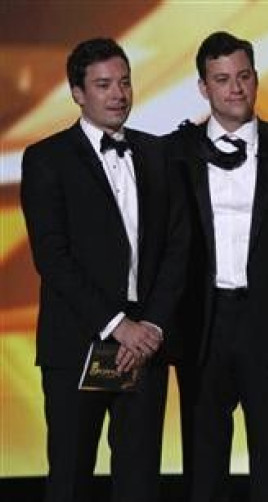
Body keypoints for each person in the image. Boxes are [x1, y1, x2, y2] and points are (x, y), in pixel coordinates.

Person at [166, 31, 268, 502]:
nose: (234, 88)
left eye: (242, 76)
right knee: (203, 466)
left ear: (256, 79)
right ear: (203, 87)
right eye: (222, 79)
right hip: (202, 324)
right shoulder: (174, 152)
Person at [20, 38, 188, 502]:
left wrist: (150, 325)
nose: (118, 94)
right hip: (78, 344)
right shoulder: (46, 158)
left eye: (125, 82)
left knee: (140, 482)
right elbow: (52, 257)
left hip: (145, 348)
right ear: (77, 92)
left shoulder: (158, 154)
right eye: (103, 85)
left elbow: (178, 246)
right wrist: (119, 327)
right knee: (71, 479)